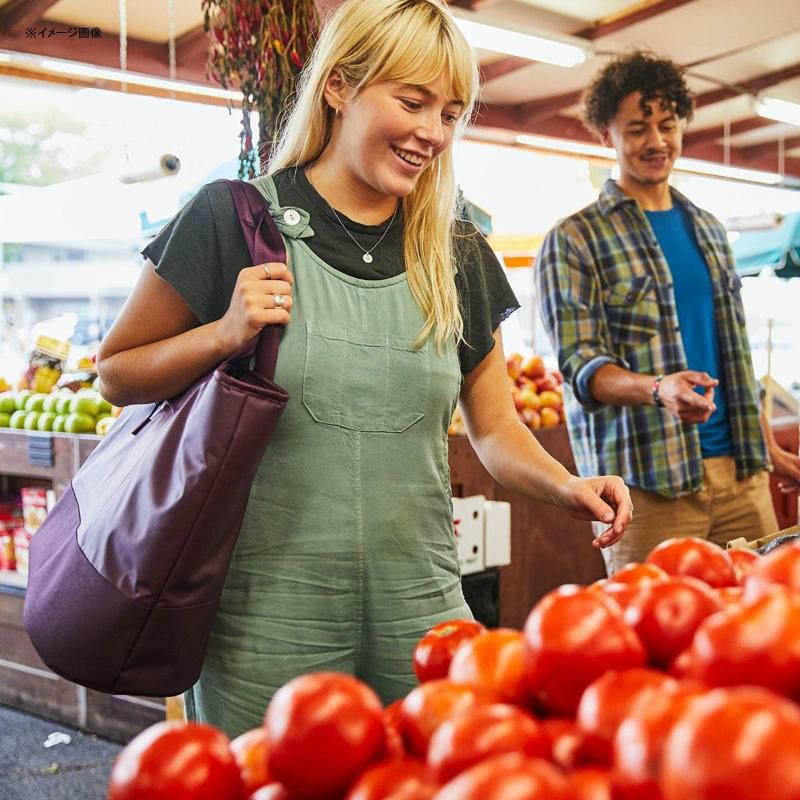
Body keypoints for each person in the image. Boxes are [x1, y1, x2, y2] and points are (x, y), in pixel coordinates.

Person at [96, 0, 632, 736]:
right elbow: (117, 372)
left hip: (423, 608)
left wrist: (568, 486)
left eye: (449, 113)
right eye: (411, 102)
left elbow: (496, 428)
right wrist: (223, 333)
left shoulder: (458, 255)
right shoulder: (235, 220)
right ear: (339, 86)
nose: (431, 134)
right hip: (264, 617)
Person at [536, 51, 800, 576]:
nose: (656, 141)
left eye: (667, 124)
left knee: (764, 625)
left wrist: (767, 448)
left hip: (740, 475)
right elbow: (582, 368)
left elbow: (733, 356)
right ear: (606, 132)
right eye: (637, 128)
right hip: (646, 486)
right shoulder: (574, 239)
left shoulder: (708, 229)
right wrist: (658, 388)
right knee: (657, 637)